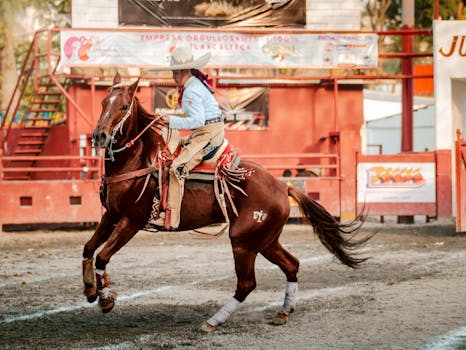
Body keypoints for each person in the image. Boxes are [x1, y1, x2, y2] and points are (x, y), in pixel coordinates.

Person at [154, 46, 224, 229]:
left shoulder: (191, 90)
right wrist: (171, 121)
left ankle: (172, 218)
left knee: (177, 168)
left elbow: (197, 121)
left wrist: (171, 122)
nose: (172, 76)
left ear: (183, 71)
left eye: (174, 72)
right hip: (206, 131)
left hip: (208, 134)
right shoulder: (194, 85)